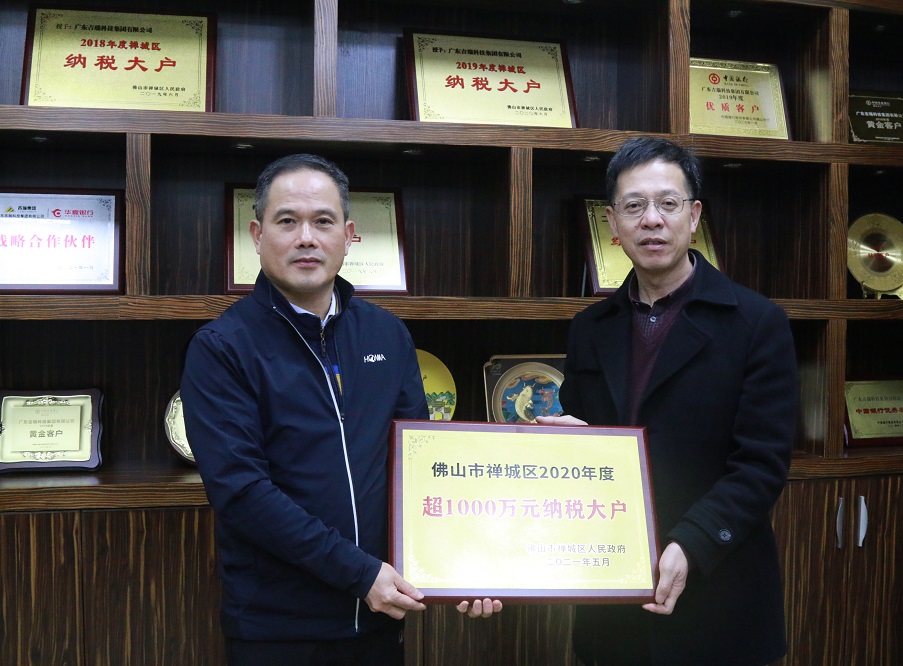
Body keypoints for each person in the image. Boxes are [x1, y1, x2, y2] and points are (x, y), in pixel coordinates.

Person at [180, 154, 499, 666]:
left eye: (323, 221)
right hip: (277, 626)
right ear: (257, 235)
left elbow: (421, 465)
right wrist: (360, 574)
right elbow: (241, 492)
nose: (306, 238)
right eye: (288, 221)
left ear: (348, 235)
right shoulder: (222, 347)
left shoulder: (387, 334)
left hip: (379, 616)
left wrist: (463, 566)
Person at [537, 137, 797, 665]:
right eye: (634, 206)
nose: (651, 220)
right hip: (613, 599)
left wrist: (692, 542)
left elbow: (762, 464)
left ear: (694, 215)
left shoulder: (756, 323)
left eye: (668, 203)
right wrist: (570, 449)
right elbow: (590, 442)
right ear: (612, 222)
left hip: (718, 592)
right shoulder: (590, 328)